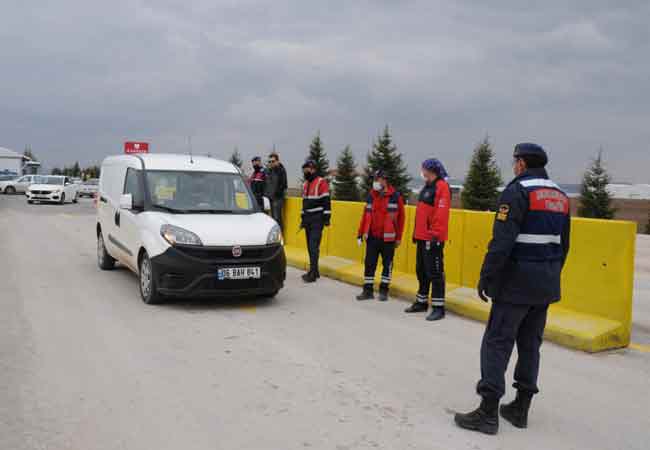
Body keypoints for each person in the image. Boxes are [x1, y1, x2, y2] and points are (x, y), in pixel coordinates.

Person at [454, 143, 571, 435]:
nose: (514, 165)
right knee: (530, 344)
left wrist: (487, 276)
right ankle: (520, 408)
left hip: (516, 283)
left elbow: (502, 242)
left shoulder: (517, 191)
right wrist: (550, 275)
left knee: (497, 342)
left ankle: (488, 413)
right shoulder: (560, 196)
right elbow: (564, 245)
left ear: (521, 163)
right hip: (545, 283)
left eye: (515, 160)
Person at [404, 159, 451, 321]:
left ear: (431, 170)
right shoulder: (427, 187)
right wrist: (416, 234)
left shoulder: (442, 187)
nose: (422, 171)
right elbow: (422, 213)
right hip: (422, 236)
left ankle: (438, 307)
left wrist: (435, 234)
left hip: (433, 237)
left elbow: (441, 213)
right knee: (421, 270)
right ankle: (421, 302)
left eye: (424, 168)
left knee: (435, 272)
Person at [356, 170, 405, 302]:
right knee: (369, 264)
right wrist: (360, 233)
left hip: (388, 239)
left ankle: (384, 290)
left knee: (387, 265)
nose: (375, 182)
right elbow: (365, 216)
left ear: (384, 180)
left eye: (377, 180)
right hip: (372, 237)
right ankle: (367, 291)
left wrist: (399, 237)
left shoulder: (395, 196)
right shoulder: (371, 196)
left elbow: (401, 219)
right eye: (374, 180)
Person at [300, 159, 331, 283]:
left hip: (317, 219)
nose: (305, 172)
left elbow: (326, 201)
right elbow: (304, 204)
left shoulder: (321, 182)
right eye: (304, 170)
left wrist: (327, 218)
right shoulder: (305, 184)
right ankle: (315, 271)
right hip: (308, 219)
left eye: (306, 170)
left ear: (312, 169)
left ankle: (312, 273)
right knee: (310, 246)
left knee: (313, 246)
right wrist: (302, 219)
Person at [265, 152, 288, 229]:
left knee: (277, 218)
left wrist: (276, 194)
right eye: (269, 161)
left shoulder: (281, 170)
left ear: (277, 161)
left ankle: (280, 237)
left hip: (277, 198)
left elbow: (284, 184)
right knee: (271, 219)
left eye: (273, 161)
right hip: (270, 198)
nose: (271, 163)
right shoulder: (268, 171)